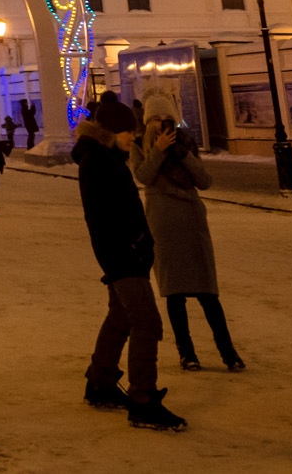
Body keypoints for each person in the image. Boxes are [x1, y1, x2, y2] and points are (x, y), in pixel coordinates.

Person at [75, 93, 185, 432]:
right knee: (146, 323)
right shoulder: (100, 163)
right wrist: (135, 245)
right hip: (123, 255)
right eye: (126, 131)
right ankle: (142, 400)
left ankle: (101, 382)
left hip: (123, 253)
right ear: (108, 131)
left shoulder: (103, 158)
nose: (132, 136)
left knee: (121, 318)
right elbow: (107, 216)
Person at [131, 89, 242, 373]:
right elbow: (143, 176)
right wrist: (159, 150)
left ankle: (228, 352)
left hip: (192, 220)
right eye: (155, 118)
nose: (162, 123)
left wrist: (183, 155)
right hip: (164, 222)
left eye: (167, 117)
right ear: (147, 120)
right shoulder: (139, 145)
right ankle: (187, 353)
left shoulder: (186, 143)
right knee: (175, 294)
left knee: (208, 292)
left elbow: (204, 181)